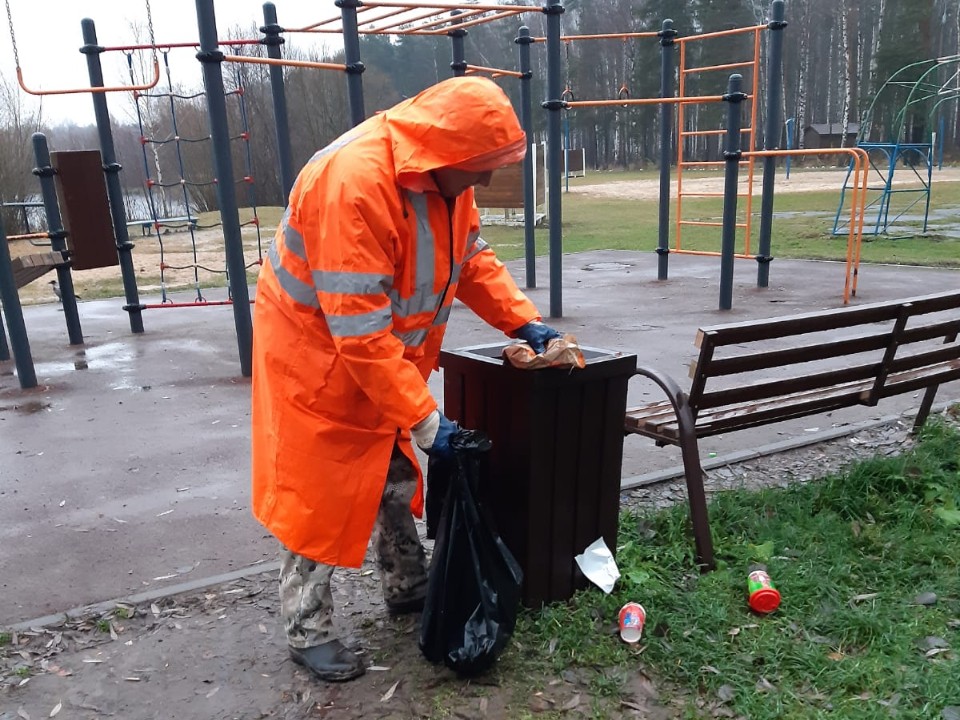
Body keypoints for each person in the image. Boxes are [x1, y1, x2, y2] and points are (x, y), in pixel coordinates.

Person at [250, 76, 562, 683]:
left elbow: (469, 259)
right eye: (479, 167)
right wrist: (425, 419)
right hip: (315, 362)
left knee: (390, 476)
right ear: (446, 155)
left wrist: (525, 323)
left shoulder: (445, 182)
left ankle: (407, 584)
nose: (484, 181)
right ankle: (306, 631)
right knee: (318, 498)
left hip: (381, 358)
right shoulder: (354, 183)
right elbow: (358, 331)